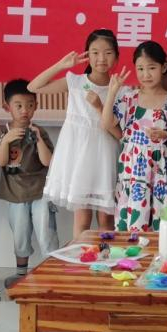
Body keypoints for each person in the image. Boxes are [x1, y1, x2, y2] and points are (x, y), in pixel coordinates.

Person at [31, 29, 121, 236]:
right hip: (79, 158)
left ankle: (107, 256)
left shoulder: (119, 89)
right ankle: (81, 255)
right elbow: (34, 87)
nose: (101, 58)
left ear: (116, 57)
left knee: (107, 219)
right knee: (82, 219)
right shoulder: (75, 82)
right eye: (95, 52)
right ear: (87, 55)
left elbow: (119, 132)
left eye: (108, 53)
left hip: (106, 157)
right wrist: (61, 65)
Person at [102, 41, 167, 232]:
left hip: (161, 168)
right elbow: (107, 123)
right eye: (140, 69)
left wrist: (166, 135)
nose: (146, 74)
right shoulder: (129, 97)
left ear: (163, 68)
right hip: (132, 168)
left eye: (151, 68)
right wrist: (112, 93)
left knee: (161, 219)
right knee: (132, 217)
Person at [0, 79, 56, 289]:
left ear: (36, 106)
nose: (24, 110)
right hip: (15, 194)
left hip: (41, 192)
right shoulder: (3, 133)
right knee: (20, 233)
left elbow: (48, 161)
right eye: (18, 105)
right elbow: (1, 162)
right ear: (7, 107)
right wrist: (6, 140)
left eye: (30, 105)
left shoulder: (39, 131)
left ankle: (52, 273)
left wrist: (38, 139)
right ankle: (21, 274)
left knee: (46, 231)